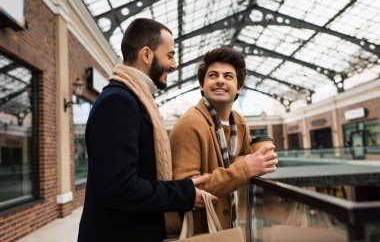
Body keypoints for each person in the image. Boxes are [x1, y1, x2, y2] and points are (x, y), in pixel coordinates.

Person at [77, 18, 216, 242]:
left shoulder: (132, 100)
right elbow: (118, 188)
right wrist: (183, 194)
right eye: (170, 55)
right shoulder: (118, 102)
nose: (174, 64)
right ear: (147, 55)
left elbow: (141, 174)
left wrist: (183, 186)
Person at [169, 47, 278, 233]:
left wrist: (250, 162)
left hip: (230, 226)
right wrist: (246, 168)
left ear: (239, 87)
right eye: (213, 75)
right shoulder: (189, 124)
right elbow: (187, 190)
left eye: (228, 76)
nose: (220, 80)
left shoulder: (239, 123)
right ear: (202, 85)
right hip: (199, 231)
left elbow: (243, 157)